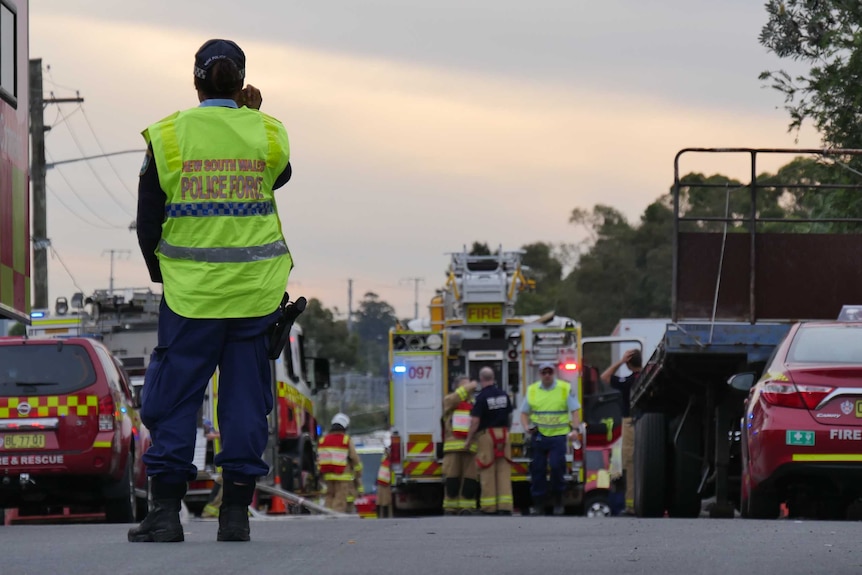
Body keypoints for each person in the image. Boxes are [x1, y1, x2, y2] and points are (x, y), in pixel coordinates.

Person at [128, 38, 293, 544]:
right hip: (255, 296)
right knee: (245, 402)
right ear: (242, 82)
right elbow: (279, 176)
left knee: (176, 399)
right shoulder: (268, 133)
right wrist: (251, 117)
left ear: (195, 80)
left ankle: (165, 517)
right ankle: (236, 516)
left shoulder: (169, 136)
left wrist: (166, 276)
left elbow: (147, 221)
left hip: (191, 298)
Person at [519, 361, 581, 516]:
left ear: (554, 373)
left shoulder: (564, 388)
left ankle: (558, 501)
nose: (547, 375)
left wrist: (574, 429)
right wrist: (526, 427)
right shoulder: (533, 390)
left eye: (549, 372)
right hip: (539, 435)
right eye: (544, 373)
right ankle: (539, 504)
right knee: (538, 469)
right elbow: (524, 412)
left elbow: (575, 410)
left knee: (556, 466)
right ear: (540, 374)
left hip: (558, 436)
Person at [464, 367, 513, 516]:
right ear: (494, 378)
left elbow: (475, 421)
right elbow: (510, 416)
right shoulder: (504, 395)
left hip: (487, 436)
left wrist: (469, 439)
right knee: (504, 470)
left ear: (481, 379)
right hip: (504, 434)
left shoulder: (481, 397)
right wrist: (507, 431)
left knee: (487, 469)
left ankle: (489, 507)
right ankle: (505, 506)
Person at [600, 348, 642, 515]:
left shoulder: (628, 381)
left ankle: (631, 505)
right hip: (650, 423)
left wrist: (620, 362)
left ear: (629, 363)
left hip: (630, 422)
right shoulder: (647, 378)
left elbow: (604, 377)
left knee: (630, 463)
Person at [441, 375, 480, 515]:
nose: (467, 389)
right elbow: (453, 399)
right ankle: (450, 508)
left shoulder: (475, 403)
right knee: (452, 479)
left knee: (470, 479)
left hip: (471, 448)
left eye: (468, 386)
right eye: (464, 386)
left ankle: (467, 507)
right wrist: (470, 386)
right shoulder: (449, 401)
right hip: (453, 448)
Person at [319, 413, 363, 513]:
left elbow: (320, 459)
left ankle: (327, 517)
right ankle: (336, 521)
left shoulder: (323, 440)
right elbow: (354, 457)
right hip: (342, 477)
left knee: (329, 498)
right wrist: (359, 472)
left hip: (327, 477)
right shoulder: (345, 439)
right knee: (340, 500)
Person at [376, 446, 393, 518]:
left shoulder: (384, 460)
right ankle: (386, 516)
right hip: (385, 483)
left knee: (383, 501)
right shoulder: (386, 461)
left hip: (383, 482)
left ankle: (383, 516)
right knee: (386, 501)